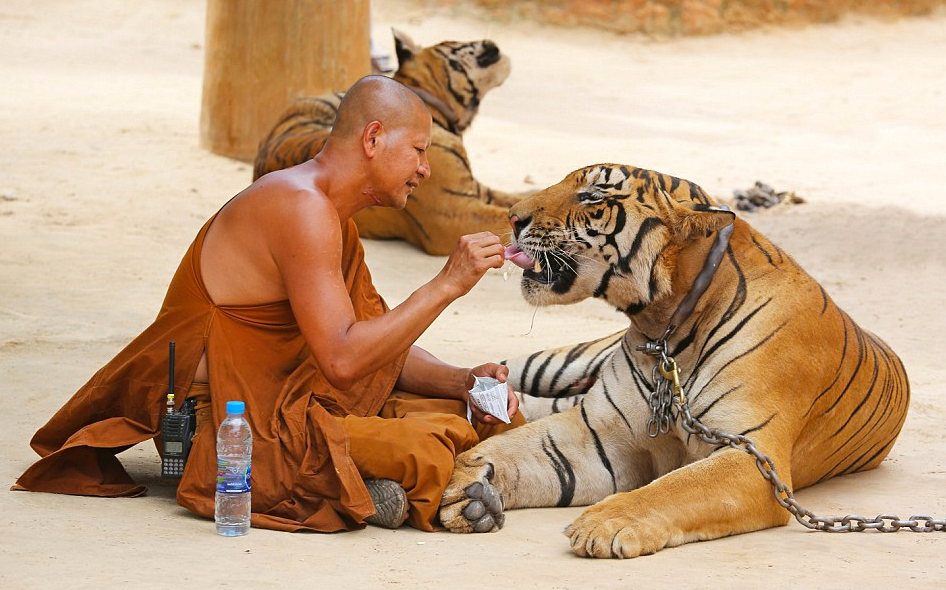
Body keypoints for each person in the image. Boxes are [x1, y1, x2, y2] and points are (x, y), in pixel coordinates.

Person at [13, 75, 524, 532]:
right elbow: (345, 360)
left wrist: (463, 381)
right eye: (418, 149)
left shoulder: (333, 219)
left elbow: (377, 344)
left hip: (294, 400)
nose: (426, 169)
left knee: (478, 412)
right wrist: (445, 285)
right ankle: (349, 488)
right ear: (373, 139)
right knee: (426, 447)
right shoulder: (299, 207)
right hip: (233, 426)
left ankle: (356, 487)